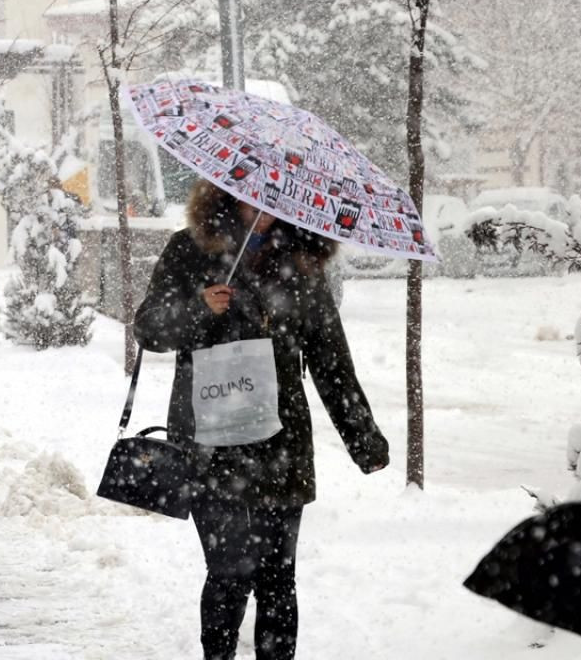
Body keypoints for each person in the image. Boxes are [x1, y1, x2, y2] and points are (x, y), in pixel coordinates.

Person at [133, 183, 390, 660]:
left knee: (276, 578)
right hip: (210, 438)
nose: (265, 209)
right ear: (228, 195)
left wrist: (364, 439)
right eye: (254, 196)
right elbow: (148, 329)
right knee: (229, 570)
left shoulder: (303, 261)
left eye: (277, 199)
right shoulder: (188, 250)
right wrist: (198, 309)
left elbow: (330, 358)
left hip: (279, 441)